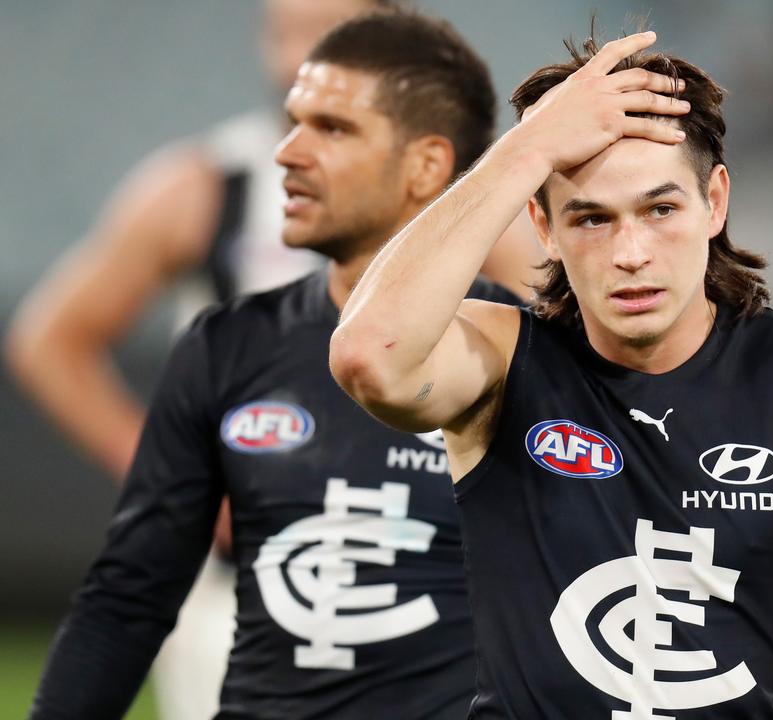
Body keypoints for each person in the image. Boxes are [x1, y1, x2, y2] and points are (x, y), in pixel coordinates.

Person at [329, 30, 773, 719]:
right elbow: (369, 354)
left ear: (714, 202)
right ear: (542, 223)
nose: (630, 252)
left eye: (660, 209)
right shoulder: (501, 361)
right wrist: (526, 151)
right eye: (591, 218)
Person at [27, 10, 522, 719]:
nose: (286, 151)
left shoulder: (522, 347)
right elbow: (126, 600)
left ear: (427, 165)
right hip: (232, 617)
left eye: (332, 128)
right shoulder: (224, 336)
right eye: (294, 122)